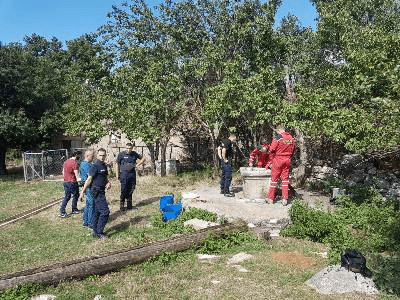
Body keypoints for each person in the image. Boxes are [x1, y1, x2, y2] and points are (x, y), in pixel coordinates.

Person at [79, 148, 111, 239]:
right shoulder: (95, 166)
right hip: (96, 192)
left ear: (105, 155)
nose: (102, 157)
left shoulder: (104, 165)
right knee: (105, 212)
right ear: (97, 156)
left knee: (97, 212)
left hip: (102, 190)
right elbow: (89, 179)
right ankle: (99, 232)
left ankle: (95, 230)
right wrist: (82, 192)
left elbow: (104, 177)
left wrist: (108, 183)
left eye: (103, 155)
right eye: (100, 155)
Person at [267, 126, 296, 206]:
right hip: (287, 160)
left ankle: (271, 198)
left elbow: (272, 149)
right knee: (285, 180)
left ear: (279, 131)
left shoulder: (278, 138)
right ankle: (284, 199)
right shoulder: (291, 138)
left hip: (278, 160)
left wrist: (271, 159)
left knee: (274, 179)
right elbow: (293, 149)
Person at [116, 142, 144, 211]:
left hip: (132, 175)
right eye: (127, 148)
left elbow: (143, 158)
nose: (128, 150)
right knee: (124, 190)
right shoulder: (121, 154)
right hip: (124, 175)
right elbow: (117, 164)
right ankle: (122, 206)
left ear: (132, 148)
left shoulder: (134, 154)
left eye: (130, 148)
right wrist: (117, 174)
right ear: (125, 148)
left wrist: (138, 164)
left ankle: (129, 206)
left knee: (131, 189)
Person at [59, 151, 81, 218]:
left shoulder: (66, 161)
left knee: (67, 197)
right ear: (76, 155)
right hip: (72, 182)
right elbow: (76, 174)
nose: (79, 157)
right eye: (79, 156)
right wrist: (80, 180)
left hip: (66, 182)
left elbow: (63, 172)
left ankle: (62, 212)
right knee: (76, 195)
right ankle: (74, 209)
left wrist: (66, 178)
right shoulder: (74, 163)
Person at [80, 150, 94, 228]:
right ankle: (90, 223)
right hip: (89, 186)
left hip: (89, 186)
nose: (93, 157)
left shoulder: (88, 164)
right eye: (92, 156)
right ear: (88, 155)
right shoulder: (85, 164)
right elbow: (90, 177)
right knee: (91, 204)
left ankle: (86, 222)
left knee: (88, 204)